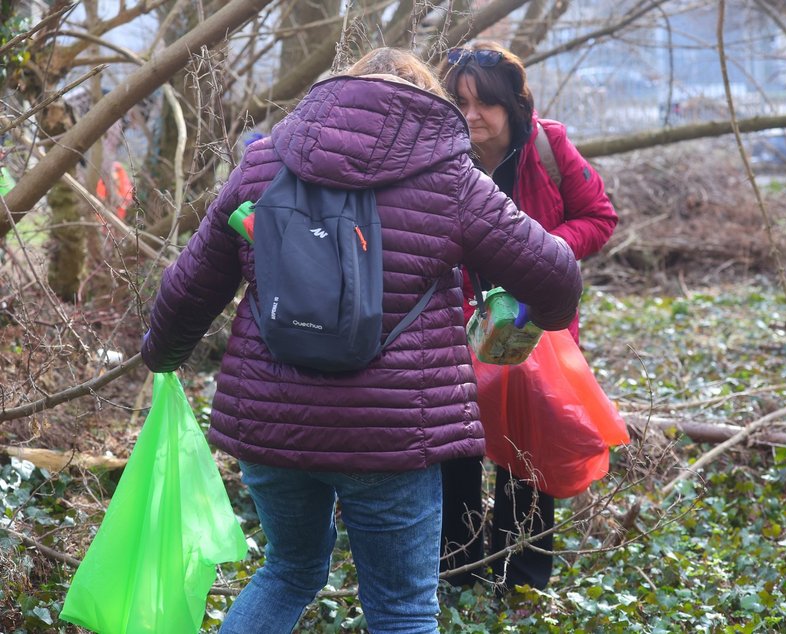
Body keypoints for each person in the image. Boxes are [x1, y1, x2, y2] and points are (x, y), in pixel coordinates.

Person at [140, 47, 582, 633]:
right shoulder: (452, 178)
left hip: (271, 424)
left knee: (289, 572)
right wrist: (540, 318)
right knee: (401, 610)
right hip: (392, 434)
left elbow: (187, 287)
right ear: (425, 101)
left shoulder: (262, 165)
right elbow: (556, 276)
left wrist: (161, 355)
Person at [437, 41, 619, 591]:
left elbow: (599, 217)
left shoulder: (548, 145)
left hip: (536, 333)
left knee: (527, 453)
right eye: (460, 103)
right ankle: (458, 574)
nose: (472, 117)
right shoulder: (440, 154)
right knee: (459, 452)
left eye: (484, 104)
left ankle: (523, 581)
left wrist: (540, 253)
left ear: (513, 105)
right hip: (458, 330)